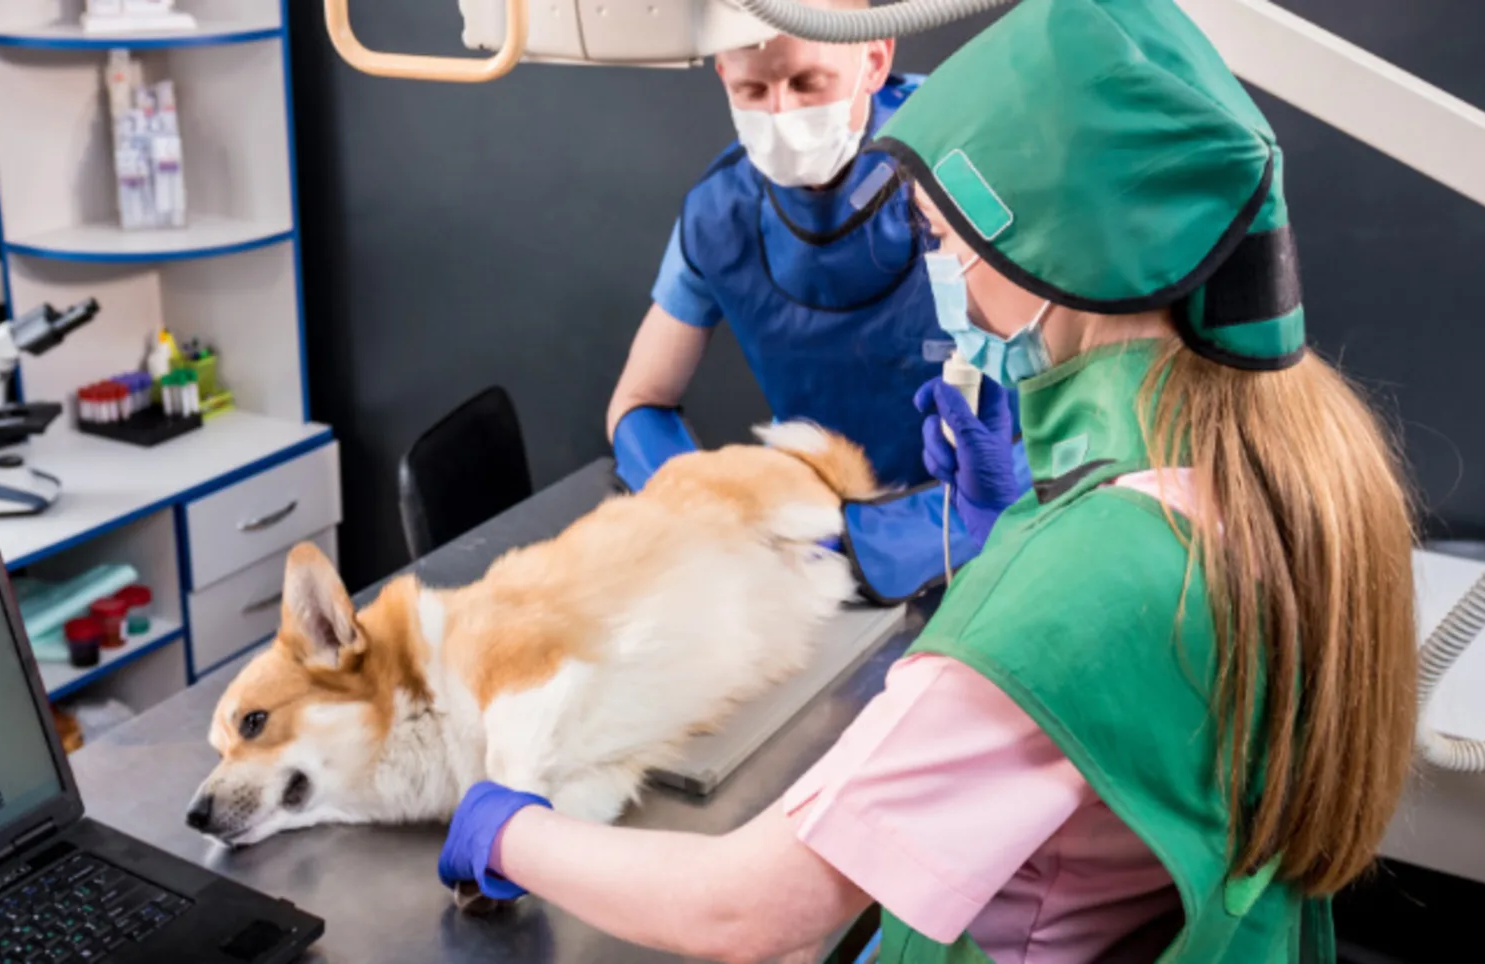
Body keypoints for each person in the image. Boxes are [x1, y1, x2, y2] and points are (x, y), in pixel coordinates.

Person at [439, 0, 1421, 960]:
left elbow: (748, 910)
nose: (944, 272)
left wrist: (504, 829)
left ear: (1037, 246)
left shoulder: (1081, 583)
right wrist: (1013, 518)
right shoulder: (1302, 464)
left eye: (946, 243)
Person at [605, 0, 1022, 603]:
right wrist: (707, 510)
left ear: (874, 59)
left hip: (994, 529)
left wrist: (912, 531)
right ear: (722, 74)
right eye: (753, 88)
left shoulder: (966, 159)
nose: (781, 113)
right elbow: (639, 402)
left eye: (807, 82)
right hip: (815, 552)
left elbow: (1091, 398)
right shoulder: (719, 215)